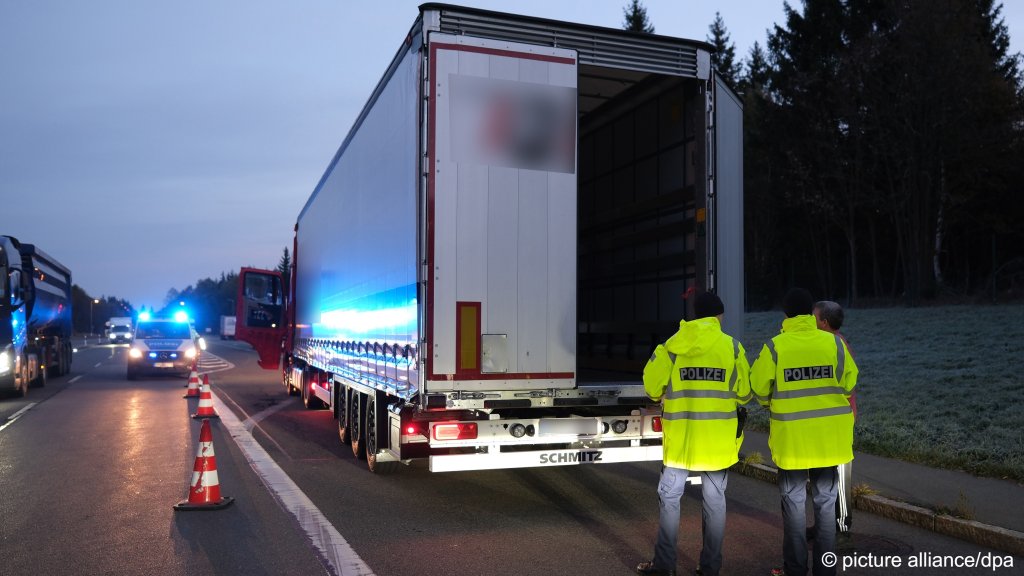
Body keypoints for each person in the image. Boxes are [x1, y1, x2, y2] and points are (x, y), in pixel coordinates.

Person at [637, 292, 752, 576]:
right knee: (714, 503)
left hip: (681, 443)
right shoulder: (733, 348)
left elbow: (651, 387)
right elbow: (745, 393)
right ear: (718, 316)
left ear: (694, 315)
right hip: (717, 443)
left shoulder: (672, 347)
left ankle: (665, 566)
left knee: (670, 501)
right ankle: (710, 568)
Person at [751, 289, 858, 576]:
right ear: (811, 313)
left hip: (793, 443)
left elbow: (759, 389)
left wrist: (771, 400)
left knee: (794, 505)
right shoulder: (833, 344)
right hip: (829, 442)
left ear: (785, 315)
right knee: (825, 505)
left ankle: (795, 569)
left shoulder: (775, 347)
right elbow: (849, 384)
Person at [813, 301, 855, 547]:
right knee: (828, 477)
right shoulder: (831, 344)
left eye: (813, 317)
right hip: (832, 421)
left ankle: (842, 528)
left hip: (839, 421)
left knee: (839, 476)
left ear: (824, 323)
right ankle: (826, 524)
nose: (810, 320)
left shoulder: (837, 346)